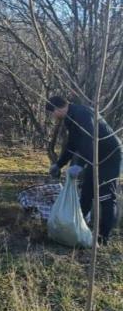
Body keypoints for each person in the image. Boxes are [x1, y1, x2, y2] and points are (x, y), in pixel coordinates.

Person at [46, 96, 122, 245]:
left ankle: (103, 238)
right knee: (87, 193)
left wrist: (80, 165)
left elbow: (89, 141)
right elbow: (73, 144)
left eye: (52, 112)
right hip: (95, 157)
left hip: (110, 157)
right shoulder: (70, 118)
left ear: (58, 108)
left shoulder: (82, 114)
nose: (52, 116)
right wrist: (59, 165)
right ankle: (76, 227)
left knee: (106, 197)